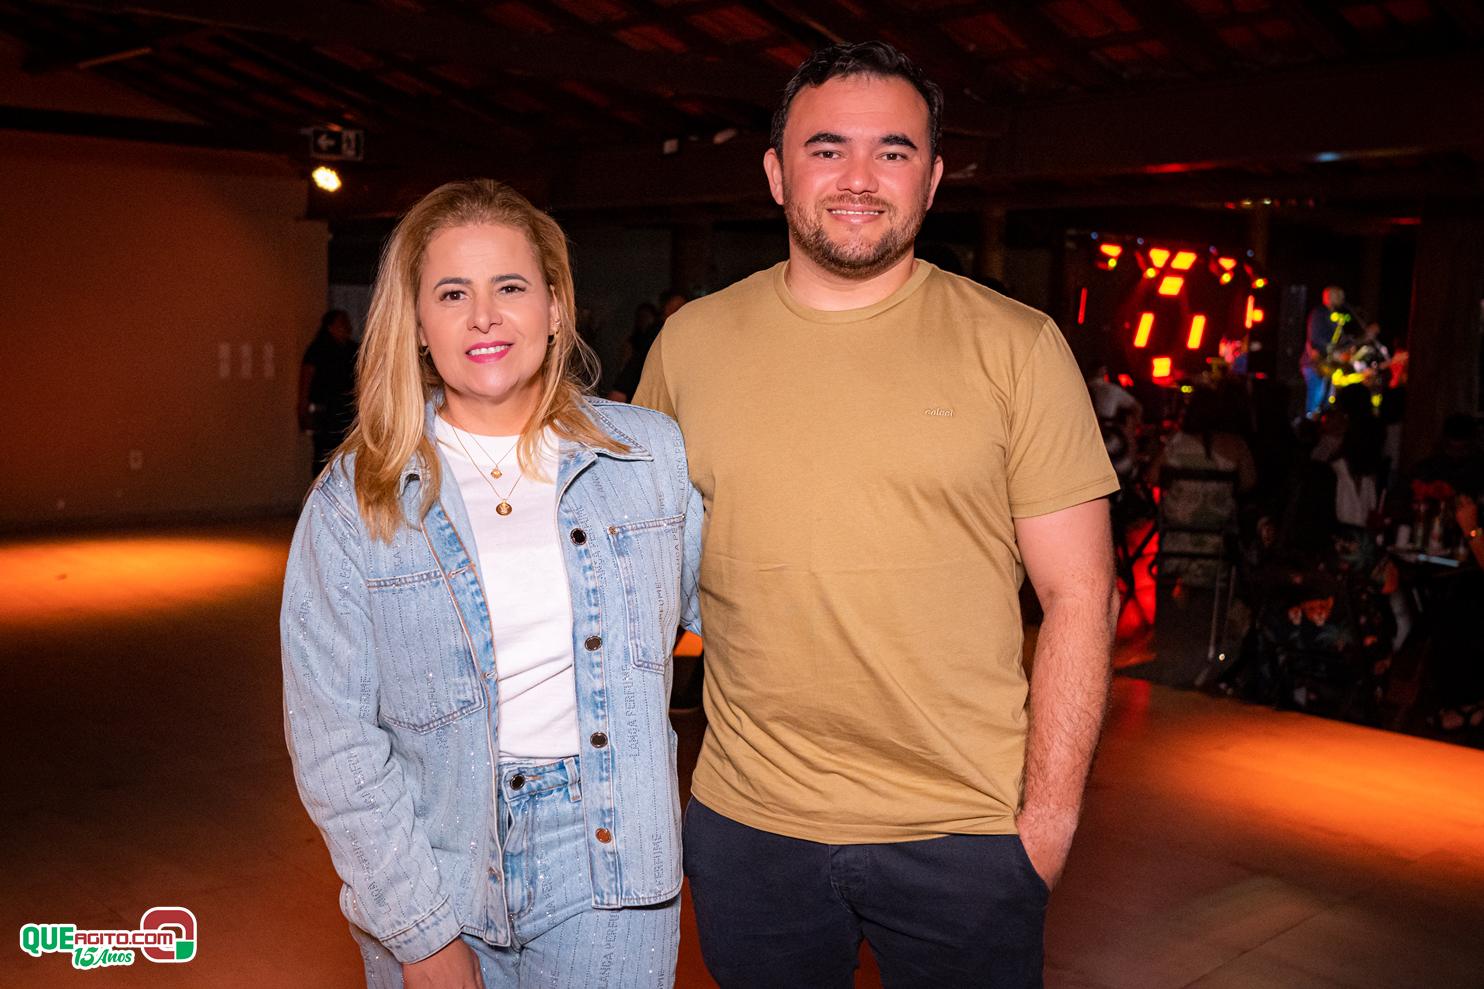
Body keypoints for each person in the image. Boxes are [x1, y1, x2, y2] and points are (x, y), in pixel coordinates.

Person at [634, 41, 1120, 987]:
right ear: (776, 172)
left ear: (932, 179)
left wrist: (1046, 826)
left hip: (965, 833)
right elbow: (635, 580)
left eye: (893, 151)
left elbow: (1081, 594)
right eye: (827, 148)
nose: (859, 177)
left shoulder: (1018, 346)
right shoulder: (689, 344)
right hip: (749, 825)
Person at [281, 179, 701, 989]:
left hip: (610, 851)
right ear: (417, 324)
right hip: (432, 848)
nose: (484, 316)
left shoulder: (648, 458)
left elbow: (734, 611)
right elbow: (333, 736)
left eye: (510, 287)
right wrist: (419, 932)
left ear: (554, 306)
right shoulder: (355, 497)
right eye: (452, 293)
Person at [298, 308, 359, 477]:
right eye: (342, 323)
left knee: (347, 452)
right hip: (325, 411)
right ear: (330, 327)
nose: (347, 327)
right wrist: (303, 407)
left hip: (347, 411)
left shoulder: (353, 349)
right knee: (324, 453)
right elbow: (307, 377)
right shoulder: (318, 349)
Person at [607, 290, 686, 403]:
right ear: (666, 308)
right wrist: (621, 389)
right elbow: (638, 360)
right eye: (677, 307)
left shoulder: (670, 333)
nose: (680, 311)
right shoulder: (658, 332)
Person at [1302, 285, 1358, 417]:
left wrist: (1351, 344)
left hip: (1327, 366)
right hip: (1315, 364)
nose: (1342, 298)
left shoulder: (1335, 317)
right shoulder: (1319, 314)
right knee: (1315, 401)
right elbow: (1316, 339)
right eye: (1338, 294)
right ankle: (1309, 424)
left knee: (1326, 401)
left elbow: (1340, 340)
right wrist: (1334, 351)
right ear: (1328, 296)